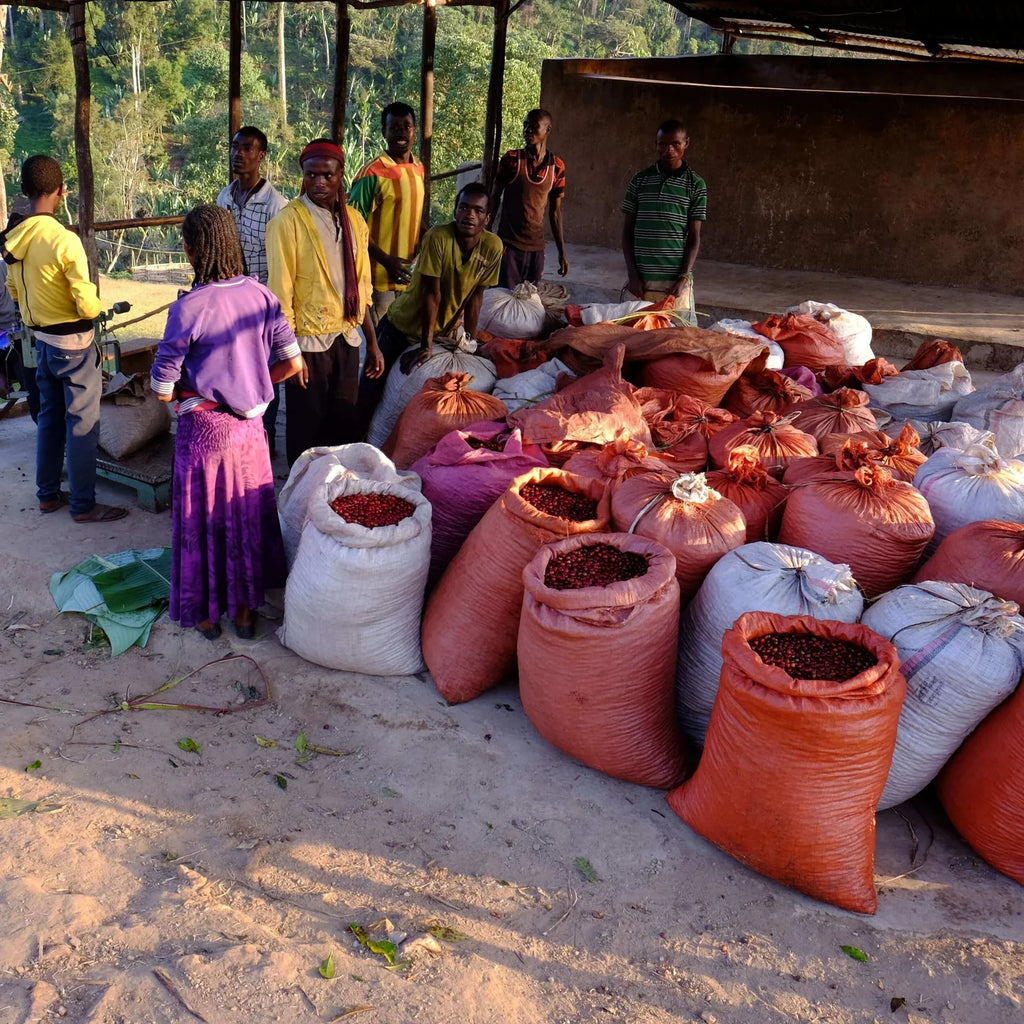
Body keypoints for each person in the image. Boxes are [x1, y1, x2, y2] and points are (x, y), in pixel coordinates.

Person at [150, 205, 304, 641]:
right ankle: (244, 614)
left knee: (204, 521)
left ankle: (204, 615)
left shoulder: (189, 308)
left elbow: (163, 388)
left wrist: (186, 396)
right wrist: (255, 382)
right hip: (251, 434)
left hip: (204, 435)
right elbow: (292, 363)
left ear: (192, 249)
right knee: (244, 518)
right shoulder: (263, 297)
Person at [1, 155, 127, 522]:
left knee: (50, 418)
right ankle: (84, 505)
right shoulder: (64, 240)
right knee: (83, 424)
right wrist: (95, 309)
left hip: (41, 342)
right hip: (74, 344)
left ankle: (47, 495)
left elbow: (13, 290)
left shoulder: (13, 240)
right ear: (60, 191)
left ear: (25, 192)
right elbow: (85, 302)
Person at [266, 139, 384, 466]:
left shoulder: (355, 222)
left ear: (341, 175)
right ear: (303, 175)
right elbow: (280, 294)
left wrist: (372, 344)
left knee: (343, 423)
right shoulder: (286, 223)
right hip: (307, 344)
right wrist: (289, 354)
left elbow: (363, 289)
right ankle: (301, 499)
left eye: (327, 176)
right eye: (311, 175)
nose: (319, 183)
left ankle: (335, 497)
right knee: (307, 428)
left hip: (347, 340)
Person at [364, 182, 503, 392]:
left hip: (439, 334)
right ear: (455, 211)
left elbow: (476, 299)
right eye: (464, 207)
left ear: (487, 218)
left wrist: (470, 344)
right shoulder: (438, 237)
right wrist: (425, 346)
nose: (470, 215)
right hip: (402, 327)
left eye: (478, 210)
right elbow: (432, 293)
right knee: (371, 385)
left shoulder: (493, 247)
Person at [216, 126, 289, 454]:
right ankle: (238, 437)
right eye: (235, 147)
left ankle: (264, 441)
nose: (239, 154)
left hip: (263, 308)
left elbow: (281, 266)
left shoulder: (277, 207)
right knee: (234, 371)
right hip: (230, 304)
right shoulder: (224, 197)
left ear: (262, 156)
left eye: (247, 148)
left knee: (264, 376)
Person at [621, 119, 707, 327]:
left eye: (675, 144)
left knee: (678, 338)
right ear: (656, 144)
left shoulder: (695, 185)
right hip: (641, 280)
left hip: (674, 281)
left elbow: (694, 237)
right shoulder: (640, 181)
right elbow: (626, 233)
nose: (669, 150)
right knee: (636, 337)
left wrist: (684, 276)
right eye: (663, 144)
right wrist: (633, 274)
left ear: (686, 143)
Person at [349, 102, 426, 324]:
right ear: (384, 132)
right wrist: (386, 260)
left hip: (410, 277)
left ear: (415, 131)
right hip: (379, 279)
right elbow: (354, 226)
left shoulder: (418, 168)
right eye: (394, 127)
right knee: (382, 344)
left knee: (403, 343)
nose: (401, 132)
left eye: (407, 126)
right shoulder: (371, 174)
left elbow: (415, 215)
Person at [490, 108, 569, 288]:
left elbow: (555, 213)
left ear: (548, 130)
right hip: (508, 245)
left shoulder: (557, 167)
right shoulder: (512, 160)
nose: (528, 130)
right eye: (525, 125)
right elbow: (494, 198)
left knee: (530, 300)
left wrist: (561, 252)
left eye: (533, 126)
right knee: (503, 297)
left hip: (536, 248)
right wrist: (485, 236)